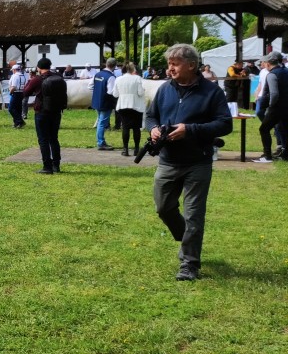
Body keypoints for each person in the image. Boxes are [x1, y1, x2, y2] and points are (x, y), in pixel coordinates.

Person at [144, 44, 232, 281]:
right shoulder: (165, 89)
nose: (169, 69)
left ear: (192, 65)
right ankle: (187, 239)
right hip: (168, 160)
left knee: (194, 214)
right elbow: (150, 116)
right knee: (163, 208)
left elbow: (225, 124)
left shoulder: (212, 92)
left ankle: (189, 264)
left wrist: (189, 129)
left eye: (175, 64)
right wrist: (153, 129)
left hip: (197, 162)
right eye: (169, 64)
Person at [23, 57, 66, 174]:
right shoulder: (58, 77)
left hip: (41, 112)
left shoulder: (37, 79)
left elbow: (25, 92)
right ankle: (56, 165)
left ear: (38, 67)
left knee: (43, 140)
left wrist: (30, 80)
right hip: (56, 111)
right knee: (54, 138)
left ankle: (47, 166)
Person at [253, 51, 287, 163]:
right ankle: (285, 155)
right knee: (284, 129)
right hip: (286, 106)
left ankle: (267, 156)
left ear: (268, 63)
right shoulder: (286, 71)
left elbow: (274, 93)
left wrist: (270, 106)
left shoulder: (272, 74)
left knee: (264, 129)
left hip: (276, 107)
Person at [114, 62, 146, 157]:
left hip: (123, 105)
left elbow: (115, 94)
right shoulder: (137, 78)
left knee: (125, 127)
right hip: (136, 105)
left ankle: (125, 149)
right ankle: (136, 149)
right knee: (136, 128)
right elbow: (140, 92)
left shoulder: (118, 79)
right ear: (132, 69)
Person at [91, 58, 119, 150]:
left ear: (106, 64)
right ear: (114, 66)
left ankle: (100, 141)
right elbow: (111, 91)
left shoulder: (98, 74)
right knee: (102, 123)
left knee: (100, 121)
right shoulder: (111, 77)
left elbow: (90, 86)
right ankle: (101, 142)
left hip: (97, 101)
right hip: (106, 102)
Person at [7, 64, 27, 128]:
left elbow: (14, 87)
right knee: (18, 108)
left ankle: (20, 121)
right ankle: (17, 123)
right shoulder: (23, 75)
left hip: (15, 93)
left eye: (13, 70)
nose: (12, 71)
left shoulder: (15, 76)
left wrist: (10, 92)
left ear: (14, 70)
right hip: (21, 93)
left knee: (11, 108)